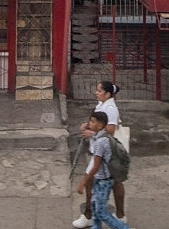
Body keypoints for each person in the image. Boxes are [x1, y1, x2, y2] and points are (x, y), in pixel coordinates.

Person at [73, 81, 127, 228]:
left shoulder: (110, 108)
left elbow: (109, 130)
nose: (96, 93)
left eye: (99, 91)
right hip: (103, 151)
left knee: (92, 180)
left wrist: (91, 132)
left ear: (108, 94)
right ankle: (117, 216)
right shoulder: (101, 105)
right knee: (115, 182)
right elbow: (98, 122)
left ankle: (91, 215)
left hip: (105, 152)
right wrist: (88, 125)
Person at [76, 111, 133, 229]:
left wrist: (83, 182)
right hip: (101, 179)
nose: (89, 124)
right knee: (95, 207)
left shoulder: (100, 142)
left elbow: (95, 166)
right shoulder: (101, 136)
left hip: (103, 181)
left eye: (93, 122)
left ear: (101, 125)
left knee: (102, 212)